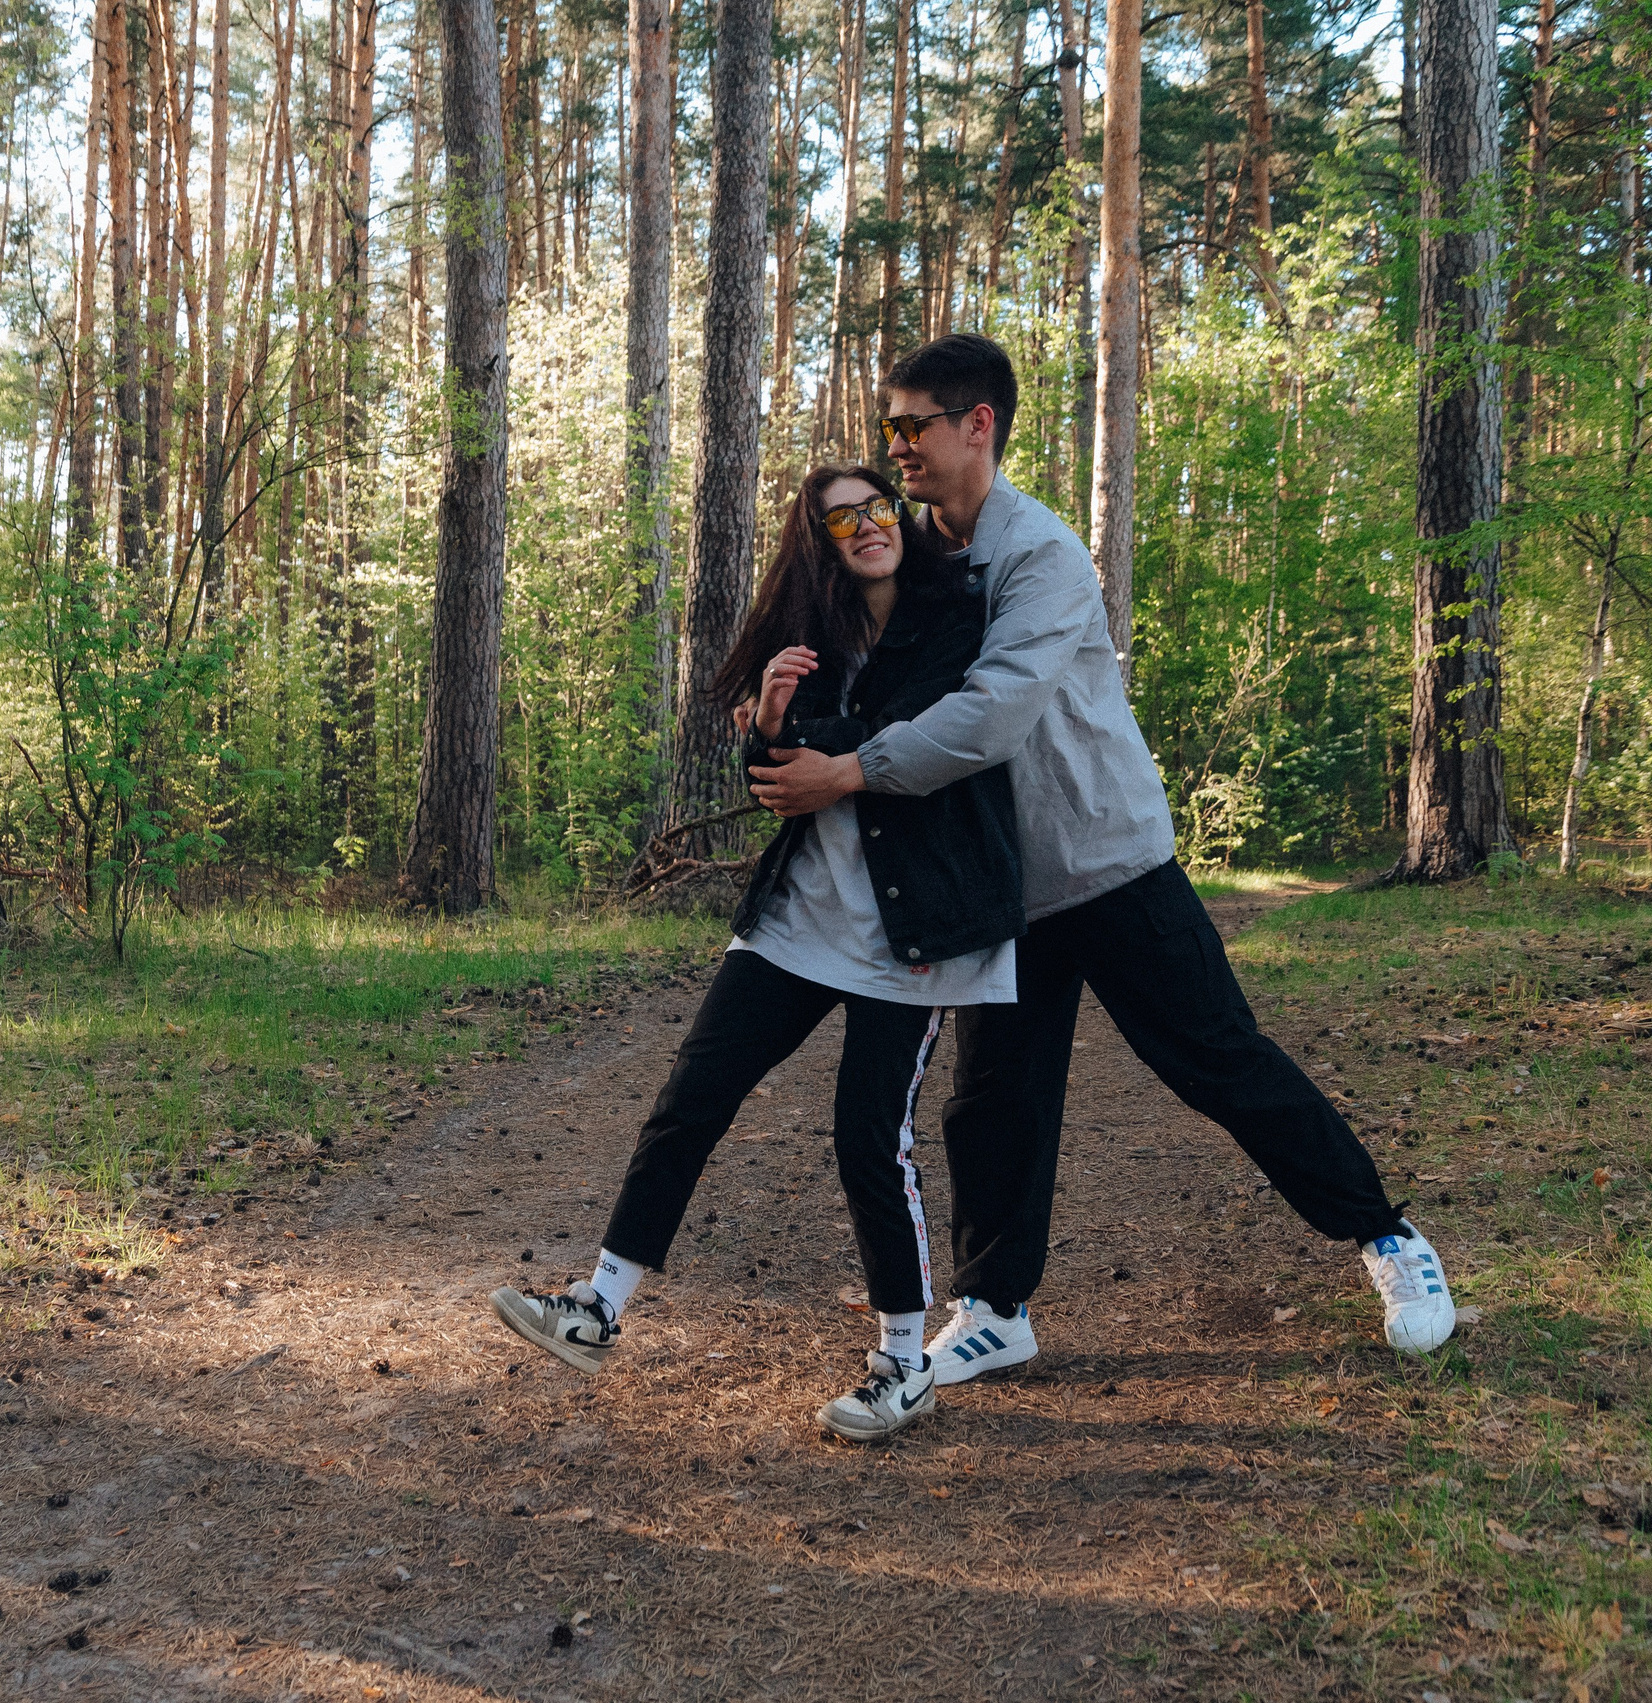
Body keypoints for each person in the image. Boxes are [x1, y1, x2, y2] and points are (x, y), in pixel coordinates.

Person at [745, 333, 1457, 1376]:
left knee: (1219, 1061)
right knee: (995, 1097)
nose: (894, 447)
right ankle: (995, 1307)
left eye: (912, 426)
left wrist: (846, 776)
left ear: (976, 424)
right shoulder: (915, 552)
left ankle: (1387, 1235)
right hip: (1001, 883)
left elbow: (990, 715)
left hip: (1107, 859)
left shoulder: (1039, 554)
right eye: (887, 427)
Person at [492, 463, 1024, 1441]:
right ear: (817, 544)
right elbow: (784, 774)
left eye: (876, 508)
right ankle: (598, 1305)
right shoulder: (815, 638)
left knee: (870, 1134)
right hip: (801, 916)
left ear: (898, 517)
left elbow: (906, 739)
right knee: (691, 1094)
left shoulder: (954, 610)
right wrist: (774, 726)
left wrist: (802, 736)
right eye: (840, 520)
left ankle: (902, 1362)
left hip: (917, 922)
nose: (866, 527)